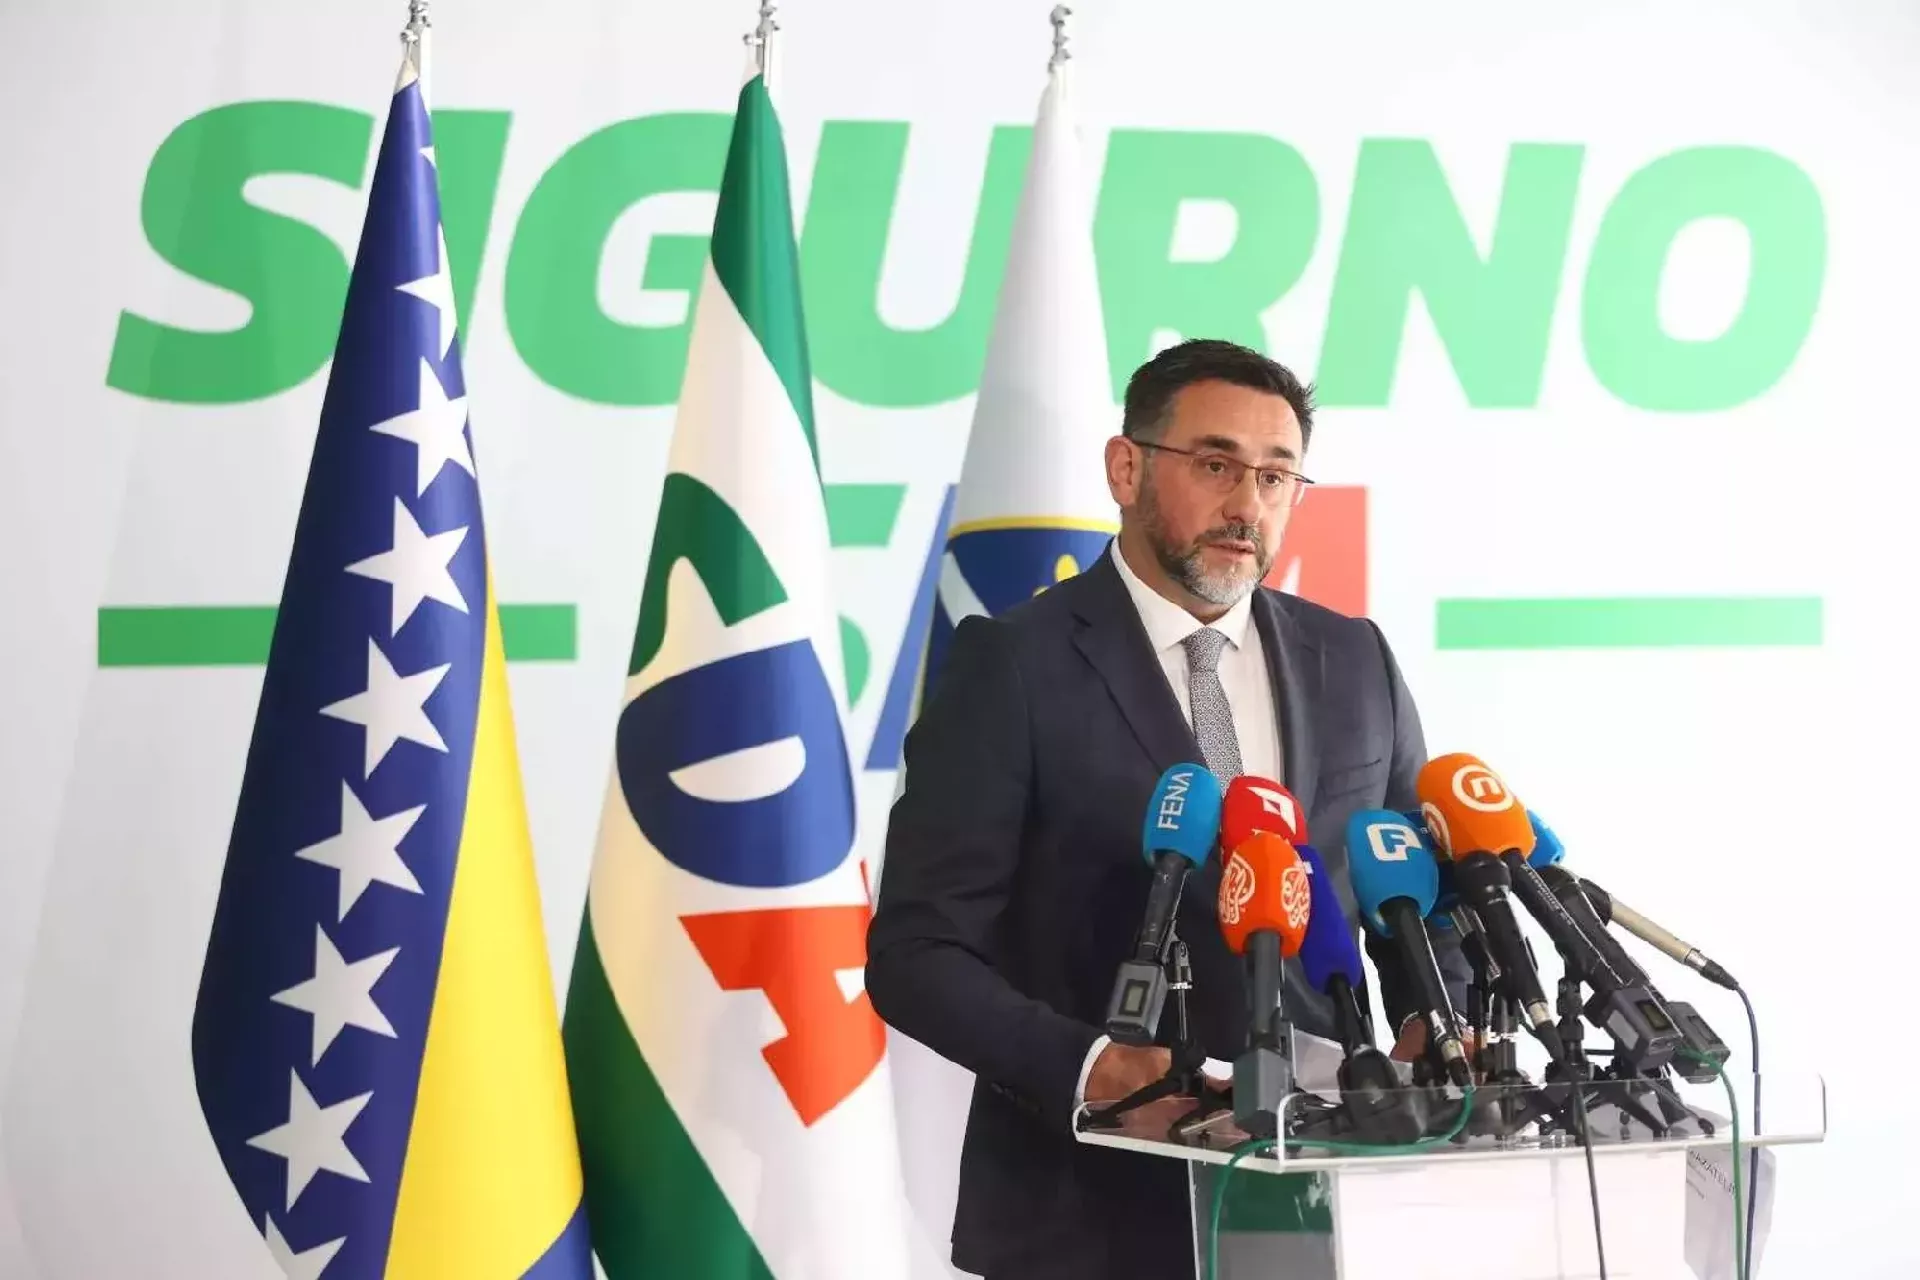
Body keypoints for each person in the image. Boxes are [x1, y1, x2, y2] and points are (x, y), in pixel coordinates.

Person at [866, 338, 1472, 1280]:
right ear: (1127, 469)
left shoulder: (1356, 661)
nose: (1247, 506)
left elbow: (1413, 898)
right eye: (1217, 465)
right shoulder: (1013, 667)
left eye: (1276, 476)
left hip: (1330, 1201)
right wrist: (1091, 1067)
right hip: (1089, 1211)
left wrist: (1443, 1017)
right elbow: (916, 953)